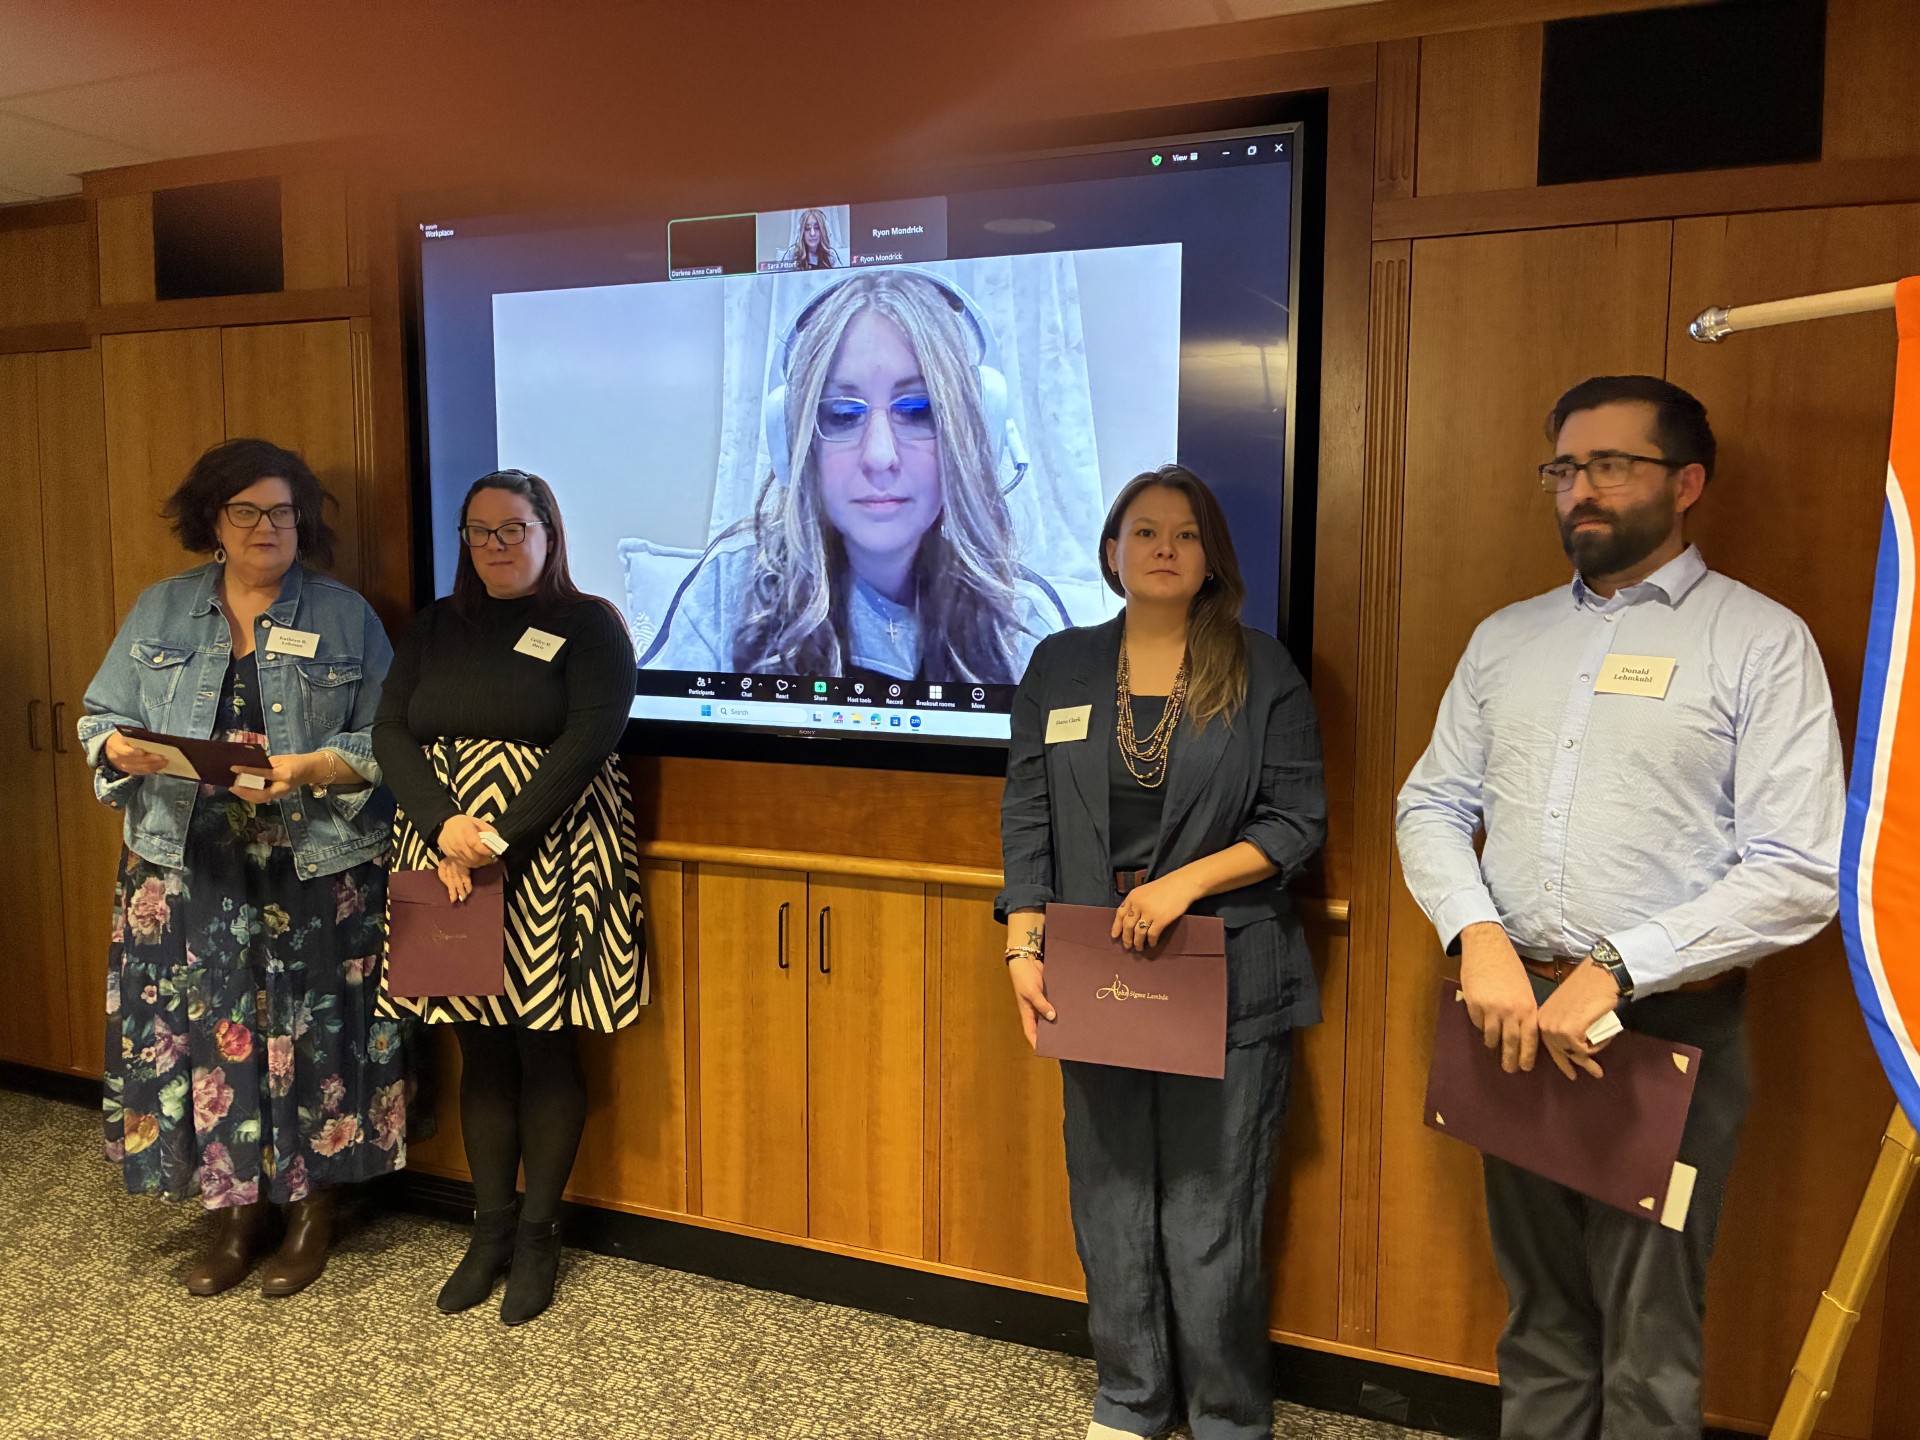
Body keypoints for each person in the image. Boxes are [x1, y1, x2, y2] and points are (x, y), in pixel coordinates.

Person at [1395, 376, 1844, 1438]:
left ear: (1687, 483)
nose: (1579, 489)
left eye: (1611, 465)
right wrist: (1481, 940)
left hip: (1662, 1039)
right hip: (1511, 1021)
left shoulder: (1760, 642)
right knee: (1541, 1316)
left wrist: (1618, 965)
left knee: (1650, 1339)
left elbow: (1800, 868)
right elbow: (1430, 803)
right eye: (1564, 467)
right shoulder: (1506, 640)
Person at [997, 464, 1326, 1440]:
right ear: (1112, 552)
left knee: (1210, 1207)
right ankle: (1131, 1399)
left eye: (1185, 533)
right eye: (1145, 532)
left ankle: (1227, 1414)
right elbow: (1027, 811)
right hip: (1090, 978)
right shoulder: (1058, 665)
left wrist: (1185, 884)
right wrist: (1023, 945)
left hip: (1224, 976)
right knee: (1106, 1197)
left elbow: (1297, 820)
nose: (1165, 548)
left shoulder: (1263, 671)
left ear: (1211, 556)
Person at [78, 438, 401, 1298]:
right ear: (214, 522)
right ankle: (234, 1213)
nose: (269, 527)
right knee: (211, 1036)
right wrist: (116, 745)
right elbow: (100, 714)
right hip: (188, 864)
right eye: (248, 511)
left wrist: (311, 768)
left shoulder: (344, 616)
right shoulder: (161, 610)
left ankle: (312, 1210)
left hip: (313, 860)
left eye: (285, 512)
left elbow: (388, 741)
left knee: (316, 1038)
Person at [374, 467, 644, 1326]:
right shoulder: (434, 627)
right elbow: (389, 731)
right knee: (477, 1047)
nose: (496, 547)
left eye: (513, 530)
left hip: (555, 854)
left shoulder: (589, 625)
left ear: (549, 535)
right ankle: (486, 1232)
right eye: (479, 532)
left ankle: (538, 1235)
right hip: (441, 849)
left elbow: (591, 737)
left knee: (543, 1045)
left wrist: (496, 837)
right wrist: (444, 825)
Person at [652, 268, 1063, 683]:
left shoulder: (1021, 622)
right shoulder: (728, 592)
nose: (880, 456)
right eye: (843, 414)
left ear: (972, 433)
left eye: (918, 410)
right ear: (796, 444)